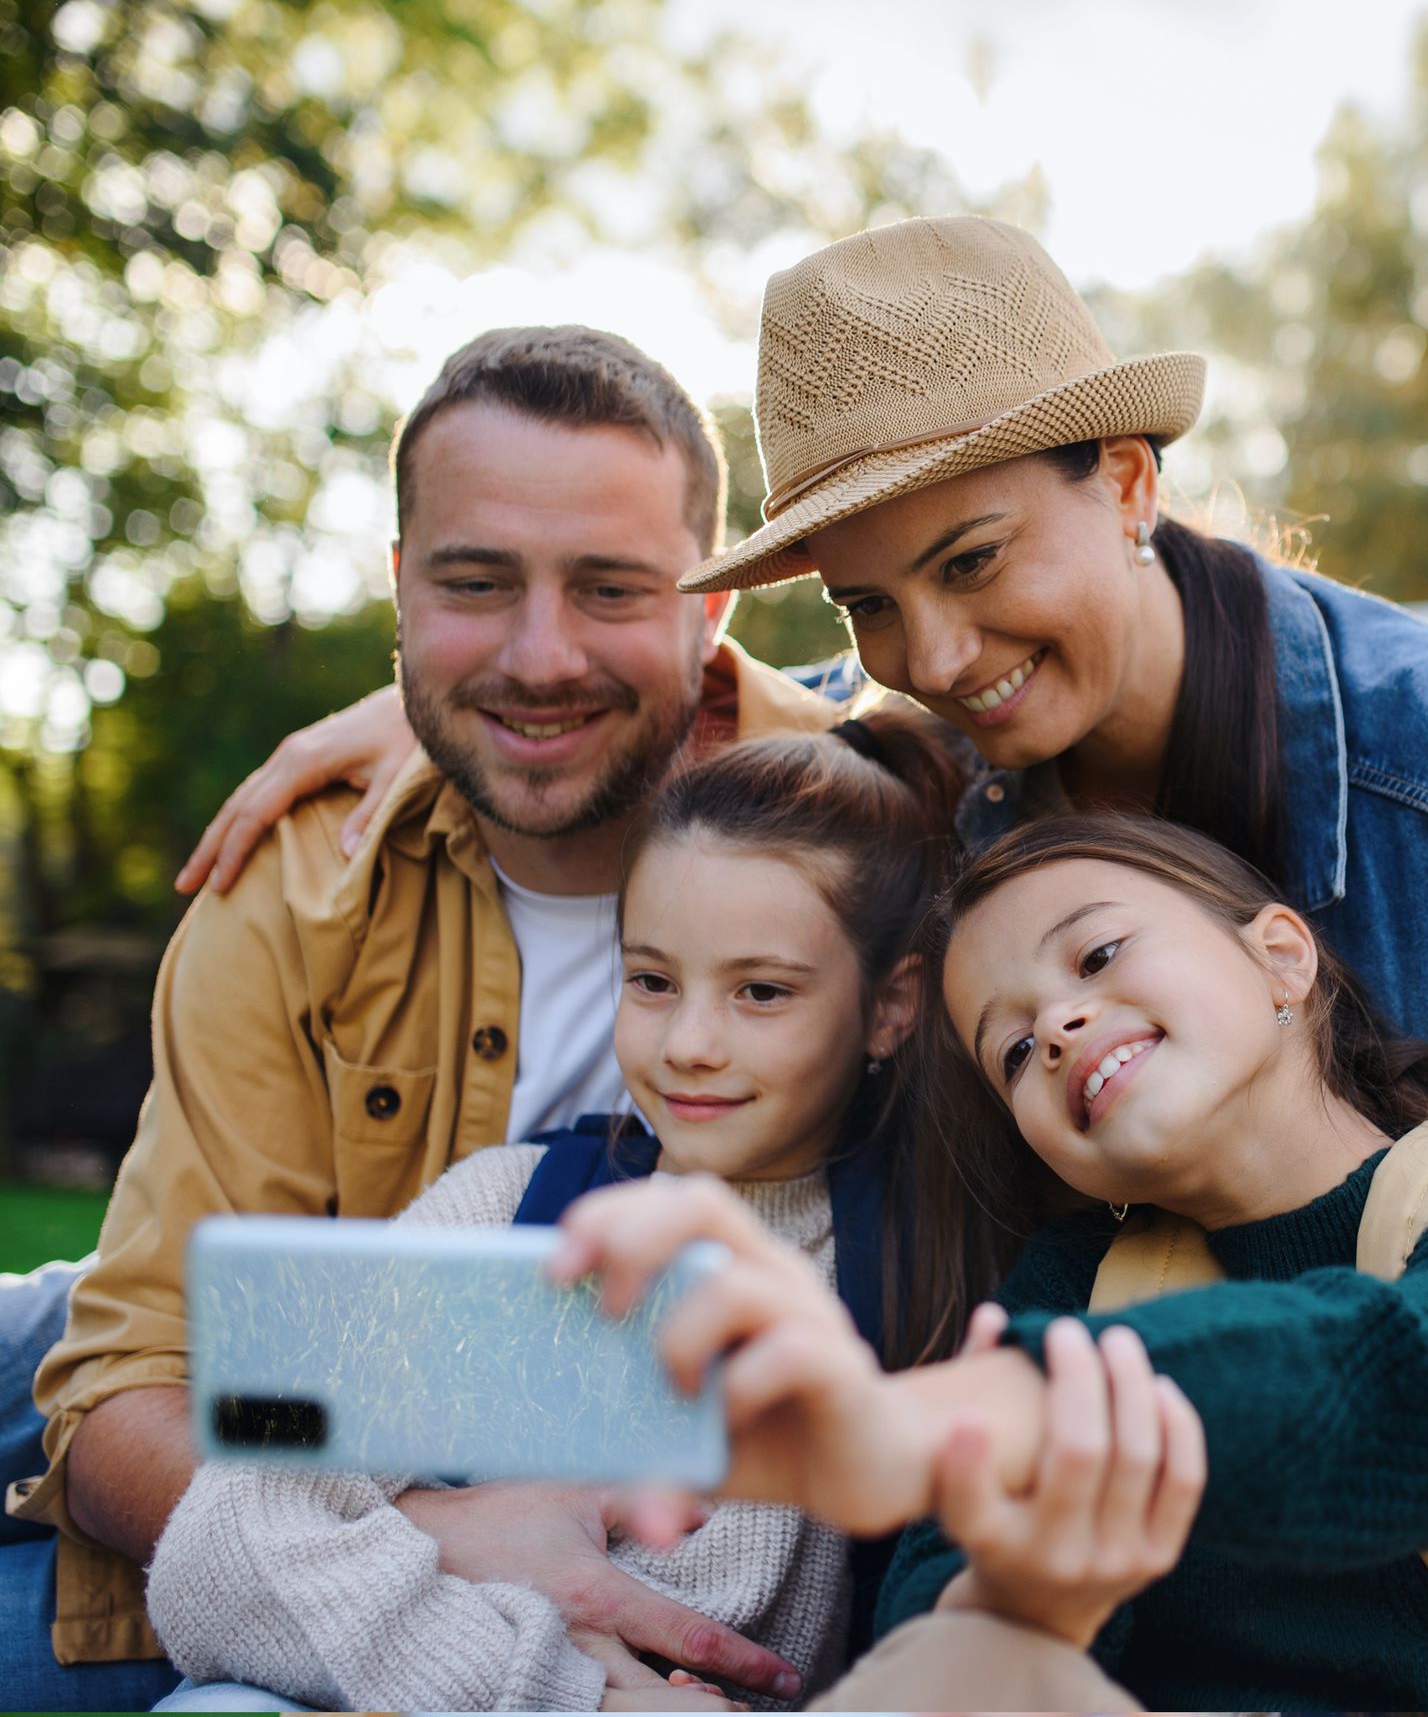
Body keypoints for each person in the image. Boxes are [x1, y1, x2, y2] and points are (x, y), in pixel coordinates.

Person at [162, 216, 1428, 1710]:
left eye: (975, 562)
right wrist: (447, 700)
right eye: (869, 607)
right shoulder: (1036, 1226)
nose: (935, 653)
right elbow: (738, 745)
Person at [0, 325, 838, 1709]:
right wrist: (414, 1543)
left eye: (611, 587)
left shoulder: (868, 842)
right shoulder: (292, 873)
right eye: (476, 582)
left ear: (711, 612)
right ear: (401, 595)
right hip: (270, 1510)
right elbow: (133, 1382)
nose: (541, 652)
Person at [549, 808, 1428, 1711]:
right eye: (1014, 1046)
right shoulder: (1073, 1280)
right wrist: (1025, 1590)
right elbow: (935, 1619)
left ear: (1282, 956)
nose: (1060, 1028)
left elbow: (1395, 1382)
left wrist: (918, 1427)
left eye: (1097, 953)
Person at [142, 710, 962, 1712]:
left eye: (760, 991)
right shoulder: (514, 1209)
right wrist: (584, 1698)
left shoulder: (935, 1262)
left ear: (892, 1005)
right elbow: (216, 1549)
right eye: (651, 979)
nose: (690, 1041)